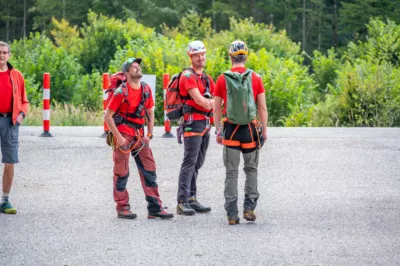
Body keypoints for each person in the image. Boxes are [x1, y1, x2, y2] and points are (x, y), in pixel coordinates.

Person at [104, 57, 173, 220]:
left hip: (139, 136)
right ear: (127, 73)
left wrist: (149, 135)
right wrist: (119, 138)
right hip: (123, 135)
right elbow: (108, 116)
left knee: (149, 170)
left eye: (138, 66)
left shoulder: (146, 89)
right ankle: (122, 207)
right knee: (122, 172)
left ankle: (155, 208)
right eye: (133, 67)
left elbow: (149, 112)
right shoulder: (121, 91)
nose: (137, 68)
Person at [213, 40, 268, 225]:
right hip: (250, 130)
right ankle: (249, 208)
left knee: (231, 172)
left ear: (231, 56)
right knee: (251, 169)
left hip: (231, 129)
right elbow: (262, 107)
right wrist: (264, 130)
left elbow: (217, 108)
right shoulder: (256, 78)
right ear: (246, 56)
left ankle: (231, 214)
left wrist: (217, 129)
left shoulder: (222, 78)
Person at [176, 40, 215, 215]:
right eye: (197, 55)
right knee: (189, 161)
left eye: (203, 54)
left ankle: (192, 198)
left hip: (205, 124)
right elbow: (201, 101)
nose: (201, 58)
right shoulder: (187, 76)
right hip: (192, 123)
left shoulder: (207, 78)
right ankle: (182, 201)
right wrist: (214, 103)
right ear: (190, 56)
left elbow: (215, 101)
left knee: (197, 163)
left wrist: (213, 104)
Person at [0, 41, 29, 214]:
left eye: (4, 52)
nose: (1, 55)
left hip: (10, 122)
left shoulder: (16, 75)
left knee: (9, 162)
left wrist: (21, 116)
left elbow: (25, 101)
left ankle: (5, 200)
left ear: (9, 55)